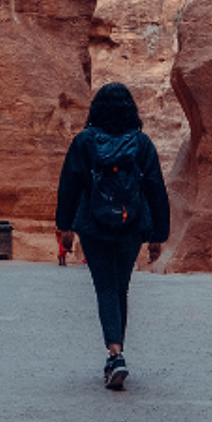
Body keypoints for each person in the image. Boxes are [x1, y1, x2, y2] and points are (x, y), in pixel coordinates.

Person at [56, 82, 170, 390]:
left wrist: (64, 227)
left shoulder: (84, 142)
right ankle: (117, 353)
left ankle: (115, 354)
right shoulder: (142, 143)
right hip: (131, 225)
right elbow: (155, 188)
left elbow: (70, 184)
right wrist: (158, 234)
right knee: (121, 287)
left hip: (93, 226)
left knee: (105, 287)